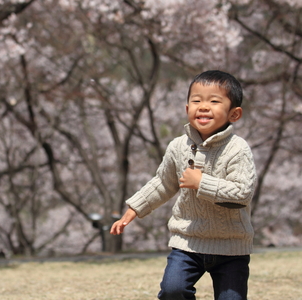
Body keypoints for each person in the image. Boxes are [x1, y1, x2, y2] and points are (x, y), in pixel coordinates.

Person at [110, 70, 257, 300]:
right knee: (172, 291)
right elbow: (162, 183)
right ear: (187, 109)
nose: (204, 106)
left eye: (214, 101)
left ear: (234, 114)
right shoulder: (178, 146)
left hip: (231, 245)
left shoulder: (238, 149)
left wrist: (201, 182)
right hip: (187, 241)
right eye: (196, 100)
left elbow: (242, 193)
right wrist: (133, 209)